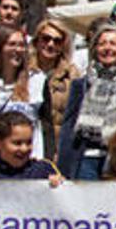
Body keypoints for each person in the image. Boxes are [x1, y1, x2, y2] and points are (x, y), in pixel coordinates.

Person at [57, 25, 116, 180]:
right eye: (102, 43)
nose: (107, 48)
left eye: (113, 43)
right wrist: (63, 169)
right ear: (94, 49)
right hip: (86, 159)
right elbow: (68, 127)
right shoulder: (80, 85)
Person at [0, 24, 47, 160]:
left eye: (22, 45)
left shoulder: (36, 81)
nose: (18, 49)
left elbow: (45, 124)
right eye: (12, 44)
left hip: (25, 158)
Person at [0, 111, 64, 183]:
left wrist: (59, 185)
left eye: (29, 142)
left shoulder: (44, 170)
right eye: (17, 143)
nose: (24, 148)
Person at [33, 20, 82, 159]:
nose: (50, 44)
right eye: (46, 39)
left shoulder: (72, 75)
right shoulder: (24, 72)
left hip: (57, 149)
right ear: (37, 41)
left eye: (57, 41)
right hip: (28, 148)